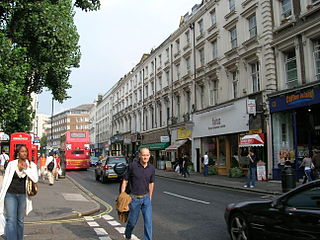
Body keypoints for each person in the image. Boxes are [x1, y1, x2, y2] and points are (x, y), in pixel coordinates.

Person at [0, 145, 38, 239]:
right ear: (18, 153)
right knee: (11, 219)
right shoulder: (12, 164)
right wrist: (2, 193)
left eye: (26, 151)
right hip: (10, 194)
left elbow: (35, 179)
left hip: (22, 195)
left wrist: (26, 169)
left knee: (20, 220)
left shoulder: (31, 165)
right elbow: (5, 180)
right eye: (22, 151)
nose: (24, 153)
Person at [121, 148, 155, 240]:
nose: (146, 157)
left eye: (147, 155)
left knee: (148, 222)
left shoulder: (151, 168)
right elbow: (125, 180)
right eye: (144, 155)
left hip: (146, 199)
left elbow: (151, 183)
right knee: (132, 222)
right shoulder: (132, 166)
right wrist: (122, 195)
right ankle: (127, 235)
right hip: (134, 199)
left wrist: (150, 196)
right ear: (139, 155)